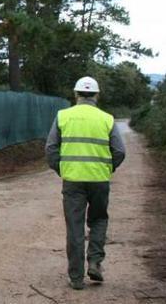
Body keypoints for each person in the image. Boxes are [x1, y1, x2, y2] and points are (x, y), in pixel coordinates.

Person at [45, 76, 126, 290]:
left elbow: (51, 149)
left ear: (76, 94)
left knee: (75, 227)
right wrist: (108, 168)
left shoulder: (63, 116)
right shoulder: (107, 119)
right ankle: (95, 262)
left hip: (73, 181)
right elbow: (119, 151)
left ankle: (76, 277)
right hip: (99, 179)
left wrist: (62, 169)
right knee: (99, 220)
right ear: (97, 95)